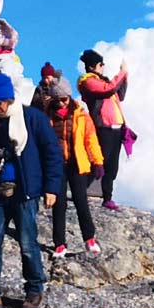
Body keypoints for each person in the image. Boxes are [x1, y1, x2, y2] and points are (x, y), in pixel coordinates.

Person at [0, 71, 63, 308]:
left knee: (28, 243)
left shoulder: (32, 119)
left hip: (25, 192)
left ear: (8, 98)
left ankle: (34, 289)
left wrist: (51, 188)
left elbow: (52, 153)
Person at [38, 63, 102, 256]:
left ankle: (89, 239)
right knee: (59, 205)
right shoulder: (46, 115)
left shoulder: (81, 115)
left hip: (76, 164)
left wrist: (97, 161)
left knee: (81, 201)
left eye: (64, 99)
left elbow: (91, 139)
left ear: (69, 96)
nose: (61, 104)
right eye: (58, 100)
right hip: (56, 166)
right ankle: (59, 244)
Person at [75, 50, 129, 210]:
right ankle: (81, 191)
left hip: (116, 127)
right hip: (103, 127)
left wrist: (124, 77)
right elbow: (108, 89)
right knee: (100, 161)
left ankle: (107, 197)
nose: (103, 66)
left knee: (112, 165)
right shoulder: (88, 82)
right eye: (100, 64)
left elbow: (120, 94)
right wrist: (122, 73)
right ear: (92, 66)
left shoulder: (103, 81)